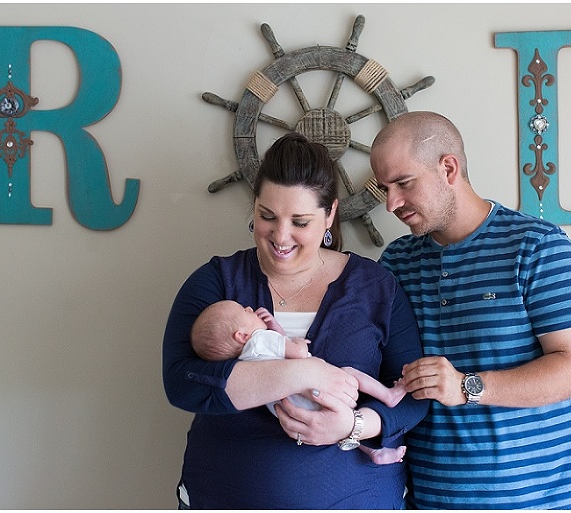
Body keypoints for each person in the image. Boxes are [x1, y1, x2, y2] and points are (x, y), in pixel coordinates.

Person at [162, 132, 429, 509]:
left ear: (329, 215)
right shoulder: (217, 282)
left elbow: (413, 396)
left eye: (300, 222)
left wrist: (353, 425)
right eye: (267, 216)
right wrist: (305, 374)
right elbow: (182, 383)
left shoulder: (375, 287)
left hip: (357, 498)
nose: (280, 236)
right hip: (224, 495)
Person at [370, 111, 571, 509]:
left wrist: (466, 387)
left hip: (537, 502)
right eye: (384, 188)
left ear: (448, 168)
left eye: (403, 183)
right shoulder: (396, 262)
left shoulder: (537, 248)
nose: (391, 204)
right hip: (429, 501)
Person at [190, 299, 409, 465]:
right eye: (243, 311)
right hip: (318, 393)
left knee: (338, 428)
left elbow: (278, 349)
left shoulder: (246, 359)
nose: (249, 308)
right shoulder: (258, 340)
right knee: (350, 372)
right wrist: (298, 344)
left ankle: (373, 452)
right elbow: (295, 352)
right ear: (241, 336)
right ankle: (388, 395)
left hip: (296, 413)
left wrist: (274, 326)